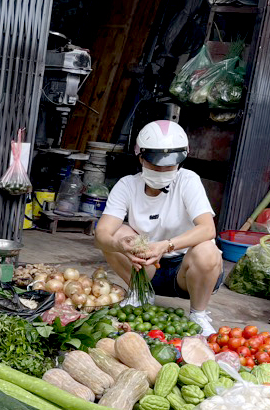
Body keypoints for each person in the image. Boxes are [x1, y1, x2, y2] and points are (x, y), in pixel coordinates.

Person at [94, 120, 224, 336]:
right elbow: (101, 235)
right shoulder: (127, 185)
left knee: (207, 250)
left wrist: (166, 246)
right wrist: (118, 244)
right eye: (155, 165)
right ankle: (141, 293)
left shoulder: (188, 180)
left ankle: (198, 314)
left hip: (186, 272)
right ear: (141, 157)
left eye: (169, 166)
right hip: (146, 267)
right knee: (115, 234)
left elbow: (208, 229)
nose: (162, 170)